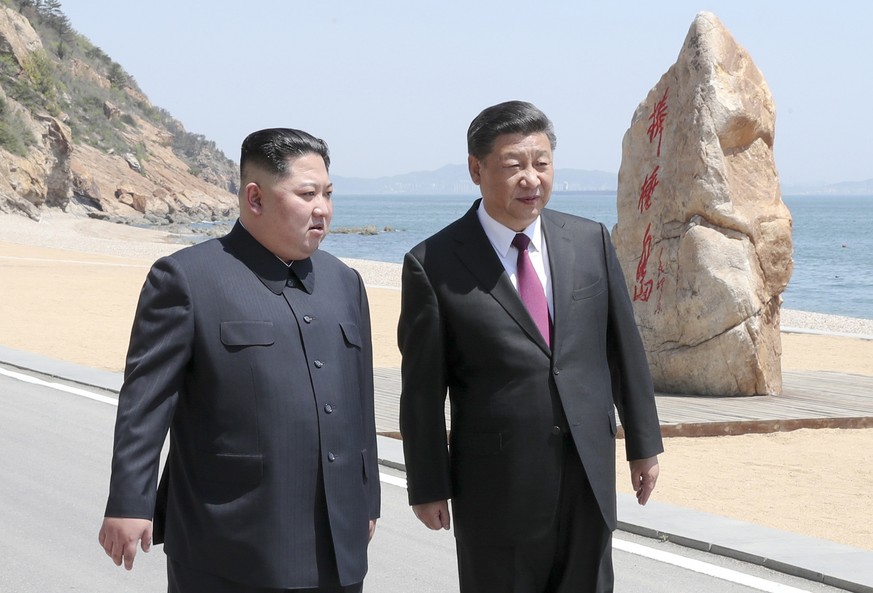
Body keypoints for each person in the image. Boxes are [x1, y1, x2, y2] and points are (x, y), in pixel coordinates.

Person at [98, 128, 380, 592]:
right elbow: (145, 402)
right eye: (307, 194)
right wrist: (130, 501)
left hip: (337, 540)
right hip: (229, 541)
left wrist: (367, 499)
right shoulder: (187, 279)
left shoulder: (344, 282)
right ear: (255, 197)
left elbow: (359, 401)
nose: (323, 209)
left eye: (328, 194)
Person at [398, 101, 663, 593]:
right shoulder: (432, 263)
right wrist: (428, 485)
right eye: (514, 165)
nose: (531, 178)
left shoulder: (590, 240)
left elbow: (624, 350)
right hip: (497, 487)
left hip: (588, 473)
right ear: (477, 170)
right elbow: (421, 392)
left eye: (541, 163)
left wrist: (644, 446)